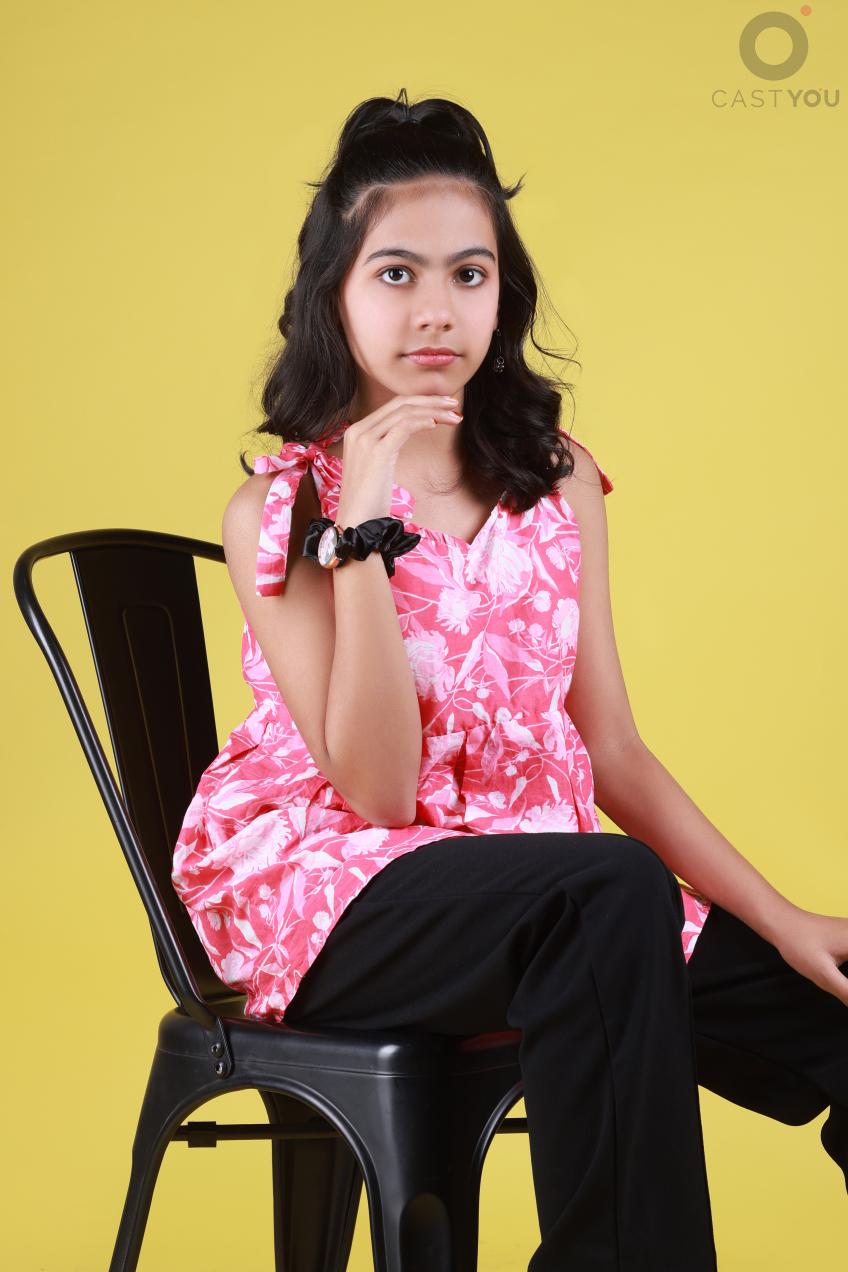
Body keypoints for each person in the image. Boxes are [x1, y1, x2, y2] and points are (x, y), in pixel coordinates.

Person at [171, 89, 848, 1270]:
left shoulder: (555, 479)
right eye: (395, 273)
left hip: (552, 891)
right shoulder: (279, 511)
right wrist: (362, 535)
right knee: (605, 890)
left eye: (468, 274)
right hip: (335, 898)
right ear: (334, 294)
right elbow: (376, 792)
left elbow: (611, 749)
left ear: (502, 296)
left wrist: (780, 920)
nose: (436, 309)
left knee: (816, 1004)